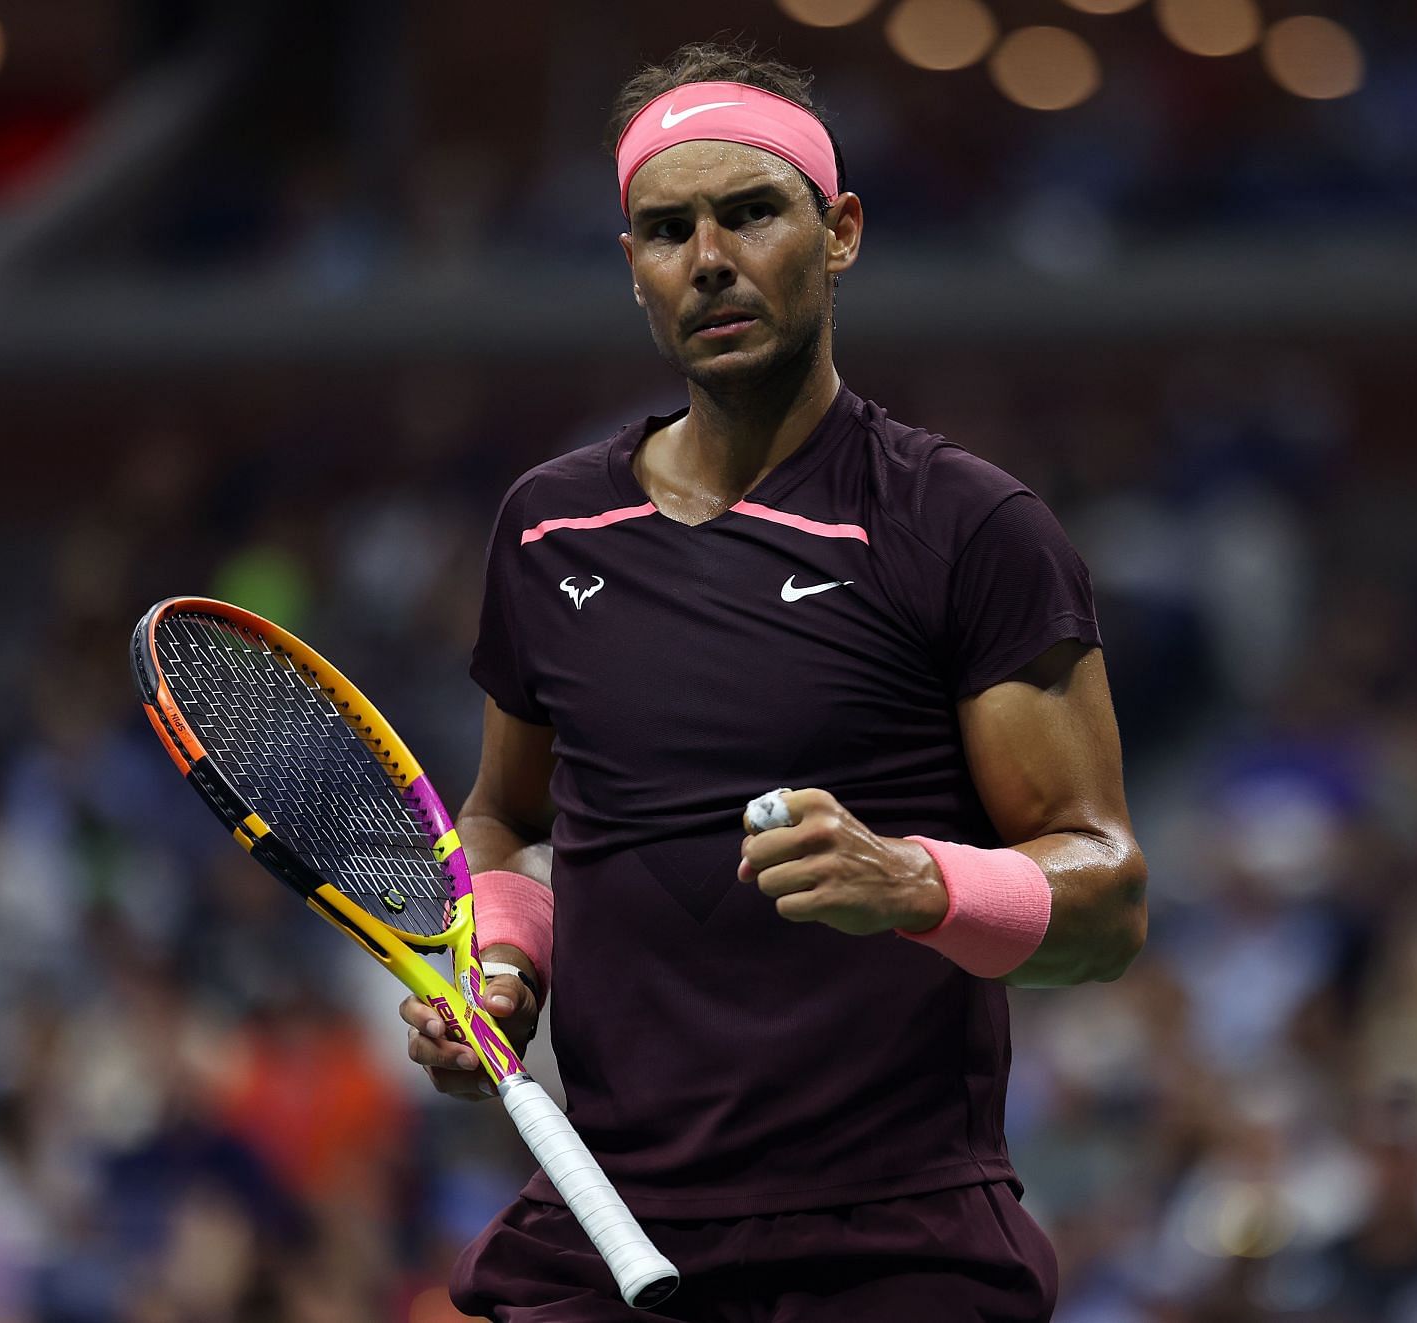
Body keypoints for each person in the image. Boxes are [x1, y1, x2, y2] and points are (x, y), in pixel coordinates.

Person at [400, 42, 1148, 1323]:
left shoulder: (966, 527)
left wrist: (916, 882)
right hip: (611, 1227)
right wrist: (503, 967)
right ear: (631, 265)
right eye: (664, 229)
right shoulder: (548, 529)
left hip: (893, 1247)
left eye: (751, 212)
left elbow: (1107, 901)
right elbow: (511, 824)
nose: (708, 259)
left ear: (839, 231)